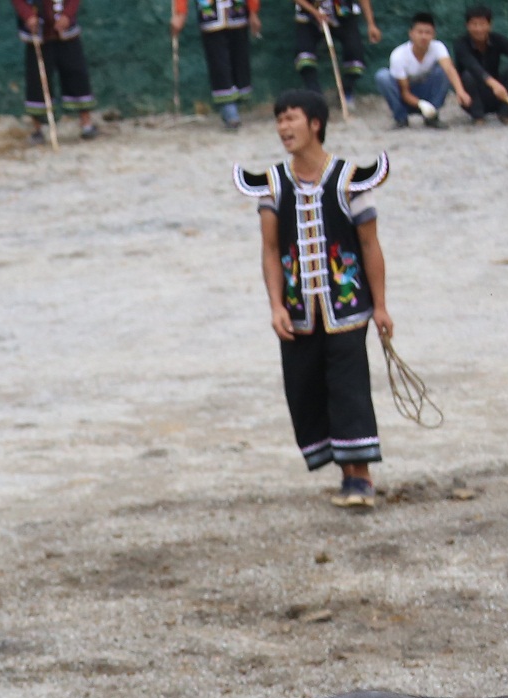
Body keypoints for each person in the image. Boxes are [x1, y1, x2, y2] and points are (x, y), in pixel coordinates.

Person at [236, 90, 394, 508]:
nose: (283, 128)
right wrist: (275, 306)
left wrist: (379, 306)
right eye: (279, 120)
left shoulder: (350, 179)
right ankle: (347, 473)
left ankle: (360, 479)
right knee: (306, 387)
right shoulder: (272, 185)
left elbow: (369, 245)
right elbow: (271, 250)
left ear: (315, 124)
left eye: (291, 118)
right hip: (297, 311)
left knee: (348, 387)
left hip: (347, 307)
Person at [13, 0, 101, 140]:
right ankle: (38, 129)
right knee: (37, 80)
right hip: (37, 34)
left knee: (76, 74)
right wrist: (28, 15)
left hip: (66, 33)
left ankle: (86, 124)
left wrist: (67, 15)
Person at [174, 0, 265, 129]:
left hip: (237, 12)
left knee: (240, 61)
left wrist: (253, 11)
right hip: (210, 14)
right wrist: (180, 13)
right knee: (218, 63)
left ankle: (234, 105)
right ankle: (229, 110)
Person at [380, 13, 475, 123]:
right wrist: (421, 104)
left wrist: (460, 91)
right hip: (405, 96)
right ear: (411, 33)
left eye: (428, 33)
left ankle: (432, 116)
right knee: (383, 76)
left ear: (433, 35)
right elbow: (404, 92)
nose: (424, 36)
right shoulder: (399, 55)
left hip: (425, 91)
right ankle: (401, 118)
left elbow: (449, 69)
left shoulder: (438, 47)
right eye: (420, 32)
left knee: (443, 72)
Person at [457, 5, 508, 120]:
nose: (478, 29)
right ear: (467, 26)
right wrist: (495, 84)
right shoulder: (460, 44)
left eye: (482, 24)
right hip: (472, 99)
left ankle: (505, 113)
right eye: (474, 24)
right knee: (468, 75)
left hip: (499, 95)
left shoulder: (497, 40)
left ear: (490, 25)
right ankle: (478, 116)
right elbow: (473, 66)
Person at [294, 0, 381, 104]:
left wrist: (371, 24)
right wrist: (314, 12)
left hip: (344, 13)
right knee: (303, 54)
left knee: (355, 53)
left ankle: (346, 91)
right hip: (309, 15)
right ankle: (314, 95)